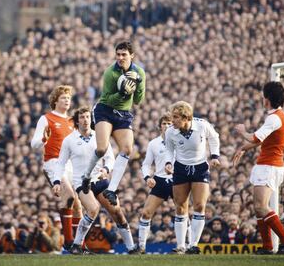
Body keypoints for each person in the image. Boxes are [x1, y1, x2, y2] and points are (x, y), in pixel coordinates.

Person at [53, 107, 138, 254]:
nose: (85, 120)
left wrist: (106, 169)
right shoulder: (69, 140)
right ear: (76, 121)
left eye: (87, 117)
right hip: (82, 182)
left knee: (116, 211)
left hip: (100, 180)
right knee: (93, 209)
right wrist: (56, 181)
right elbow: (60, 163)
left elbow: (110, 158)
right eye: (82, 117)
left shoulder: (99, 136)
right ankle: (77, 245)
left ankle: (131, 248)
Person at [233, 81, 284, 254]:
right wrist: (243, 149)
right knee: (258, 206)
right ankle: (267, 247)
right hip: (268, 164)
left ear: (267, 99)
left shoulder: (275, 118)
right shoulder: (279, 116)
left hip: (270, 165)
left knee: (261, 206)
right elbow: (262, 140)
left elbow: (253, 138)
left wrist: (242, 131)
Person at [81, 41, 146, 206]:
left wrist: (137, 84)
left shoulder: (139, 72)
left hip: (123, 114)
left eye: (124, 55)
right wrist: (123, 93)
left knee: (127, 149)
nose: (120, 58)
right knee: (102, 149)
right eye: (118, 54)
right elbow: (108, 98)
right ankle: (87, 176)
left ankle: (112, 188)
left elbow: (138, 100)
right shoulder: (110, 72)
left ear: (132, 55)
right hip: (105, 110)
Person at [164, 100, 220, 254]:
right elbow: (169, 149)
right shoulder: (170, 131)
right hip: (181, 168)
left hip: (200, 167)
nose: (172, 120)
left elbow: (214, 137)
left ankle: (193, 244)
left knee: (200, 206)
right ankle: (181, 246)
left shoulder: (202, 125)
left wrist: (214, 156)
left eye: (176, 117)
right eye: (172, 116)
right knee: (180, 206)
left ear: (186, 117)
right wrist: (169, 162)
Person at [30, 85, 82, 248]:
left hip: (71, 165)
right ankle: (68, 241)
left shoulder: (72, 122)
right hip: (54, 162)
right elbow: (34, 144)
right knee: (69, 197)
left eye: (68, 98)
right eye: (63, 98)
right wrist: (44, 139)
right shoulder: (46, 118)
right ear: (55, 101)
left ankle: (79, 244)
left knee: (79, 207)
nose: (67, 100)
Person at [137, 112, 174, 253]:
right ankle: (141, 247)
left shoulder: (180, 141)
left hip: (177, 179)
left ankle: (186, 245)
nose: (167, 126)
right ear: (160, 127)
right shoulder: (153, 143)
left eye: (170, 123)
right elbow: (146, 164)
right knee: (146, 213)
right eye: (164, 123)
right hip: (159, 179)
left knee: (183, 212)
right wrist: (148, 178)